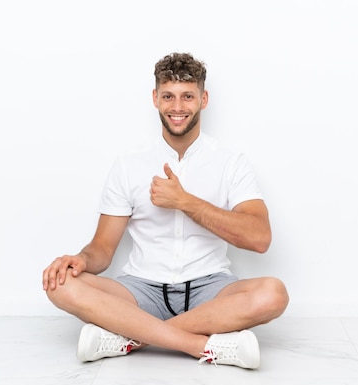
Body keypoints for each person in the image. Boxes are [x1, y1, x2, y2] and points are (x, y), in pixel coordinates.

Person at [42, 52, 289, 369]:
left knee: (273, 294)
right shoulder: (128, 163)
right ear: (155, 98)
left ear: (204, 99)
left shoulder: (231, 161)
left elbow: (260, 238)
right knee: (59, 284)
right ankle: (199, 345)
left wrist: (184, 201)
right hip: (139, 290)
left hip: (210, 290)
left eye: (188, 96)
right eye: (168, 96)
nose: (177, 107)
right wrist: (81, 260)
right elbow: (103, 248)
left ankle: (129, 338)